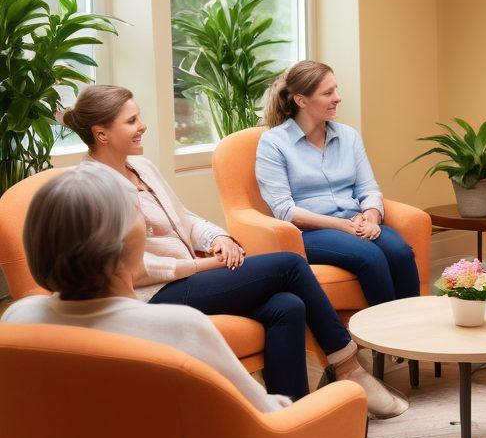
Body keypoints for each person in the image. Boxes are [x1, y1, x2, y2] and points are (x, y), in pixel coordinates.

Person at [58, 84, 404, 417]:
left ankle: (292, 417)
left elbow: (186, 219)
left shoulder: (141, 167)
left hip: (191, 273)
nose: (142, 126)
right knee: (289, 266)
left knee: (287, 306)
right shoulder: (96, 186)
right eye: (131, 121)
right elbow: (136, 269)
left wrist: (217, 240)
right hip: (154, 294)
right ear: (101, 133)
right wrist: (204, 265)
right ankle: (348, 367)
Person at [2, 165, 291, 414]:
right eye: (137, 214)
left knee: (284, 304)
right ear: (123, 244)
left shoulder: (16, 321)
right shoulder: (181, 328)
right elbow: (262, 414)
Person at [255, 61, 420, 309]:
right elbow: (284, 210)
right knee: (370, 256)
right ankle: (385, 343)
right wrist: (342, 226)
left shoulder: (348, 136)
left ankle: (414, 333)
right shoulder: (274, 143)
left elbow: (368, 189)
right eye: (328, 93)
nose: (338, 98)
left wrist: (371, 217)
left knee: (400, 252)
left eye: (336, 89)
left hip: (356, 221)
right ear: (301, 101)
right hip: (312, 231)